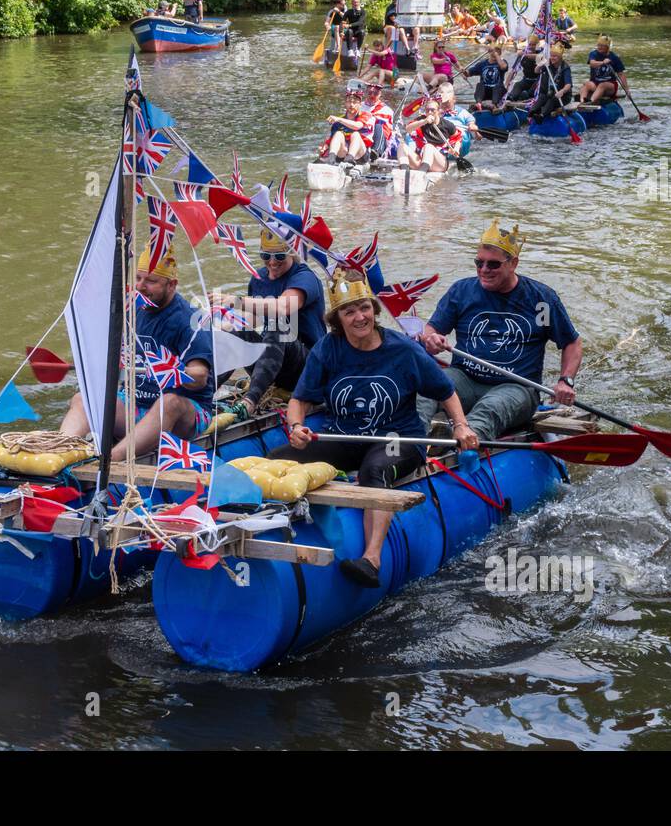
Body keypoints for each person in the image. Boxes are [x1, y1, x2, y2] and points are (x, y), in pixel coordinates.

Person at [269, 269, 478, 588]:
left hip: (397, 439)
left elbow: (445, 392)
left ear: (374, 309)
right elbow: (299, 401)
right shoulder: (328, 349)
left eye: (364, 307)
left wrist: (460, 426)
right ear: (338, 318)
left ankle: (372, 559)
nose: (359, 317)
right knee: (277, 460)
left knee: (375, 469)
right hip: (343, 436)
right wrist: (296, 426)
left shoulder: (403, 350)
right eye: (349, 311)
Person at [415, 220, 582, 443]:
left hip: (516, 387)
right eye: (479, 263)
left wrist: (565, 381)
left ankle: (462, 456)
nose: (484, 270)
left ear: (513, 263)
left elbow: (572, 343)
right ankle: (409, 449)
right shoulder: (461, 291)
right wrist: (431, 338)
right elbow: (431, 329)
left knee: (487, 411)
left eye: (493, 265)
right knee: (423, 390)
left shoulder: (541, 300)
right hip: (464, 378)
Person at [59, 245, 213, 459]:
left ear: (172, 285)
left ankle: (109, 461)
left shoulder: (191, 320)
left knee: (168, 402)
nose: (140, 286)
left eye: (150, 281)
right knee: (83, 399)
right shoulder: (133, 308)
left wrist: (169, 370)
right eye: (138, 278)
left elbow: (200, 377)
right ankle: (60, 454)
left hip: (185, 415)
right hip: (137, 405)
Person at [211, 223, 326, 416]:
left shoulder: (305, 277)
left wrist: (236, 301)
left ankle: (250, 401)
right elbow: (252, 317)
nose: (272, 262)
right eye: (266, 256)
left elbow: (283, 307)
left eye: (279, 256)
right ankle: (203, 392)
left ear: (290, 253)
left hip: (308, 366)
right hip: (273, 362)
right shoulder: (259, 278)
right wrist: (223, 328)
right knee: (230, 333)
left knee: (276, 325)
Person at [403, 99, 462, 173]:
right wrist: (424, 122)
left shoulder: (447, 125)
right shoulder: (422, 120)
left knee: (428, 147)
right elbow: (408, 129)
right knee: (402, 146)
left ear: (438, 111)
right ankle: (403, 171)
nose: (430, 112)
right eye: (427, 110)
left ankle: (421, 173)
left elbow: (458, 139)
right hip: (422, 159)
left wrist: (456, 149)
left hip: (440, 162)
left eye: (432, 110)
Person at [318, 87, 373, 162]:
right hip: (343, 153)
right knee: (338, 134)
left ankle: (350, 158)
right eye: (349, 102)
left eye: (354, 102)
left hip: (360, 154)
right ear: (345, 104)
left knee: (355, 134)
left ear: (360, 105)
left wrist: (339, 119)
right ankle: (331, 158)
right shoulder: (337, 122)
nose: (351, 105)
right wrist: (324, 148)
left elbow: (357, 126)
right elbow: (329, 140)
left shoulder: (366, 115)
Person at [528, 42, 574, 123]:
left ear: (560, 57)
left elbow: (568, 85)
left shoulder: (565, 67)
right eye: (551, 56)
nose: (552, 58)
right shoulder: (548, 64)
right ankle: (531, 113)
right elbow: (536, 71)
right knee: (542, 97)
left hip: (562, 96)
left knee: (552, 99)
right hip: (550, 93)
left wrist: (562, 91)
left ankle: (541, 115)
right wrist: (540, 64)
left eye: (555, 56)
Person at [579, 33, 631, 104]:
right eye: (598, 45)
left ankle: (590, 101)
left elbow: (621, 74)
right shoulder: (593, 54)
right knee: (587, 84)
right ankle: (582, 102)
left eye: (602, 46)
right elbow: (592, 64)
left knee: (602, 85)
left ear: (608, 47)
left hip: (610, 86)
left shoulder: (614, 57)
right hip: (595, 83)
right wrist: (603, 62)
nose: (599, 47)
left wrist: (627, 89)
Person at [501, 32, 542, 107]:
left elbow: (540, 57)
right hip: (526, 79)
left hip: (538, 81)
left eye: (534, 45)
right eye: (530, 44)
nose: (531, 46)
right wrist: (506, 85)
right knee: (517, 85)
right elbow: (513, 71)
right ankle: (510, 99)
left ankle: (525, 100)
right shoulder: (522, 55)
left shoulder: (540, 52)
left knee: (527, 94)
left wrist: (525, 55)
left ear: (537, 45)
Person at [462, 46, 508, 110]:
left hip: (498, 92)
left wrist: (497, 56)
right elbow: (468, 73)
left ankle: (494, 106)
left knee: (498, 86)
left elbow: (503, 67)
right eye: (494, 52)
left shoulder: (502, 62)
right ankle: (478, 104)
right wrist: (464, 72)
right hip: (485, 91)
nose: (495, 54)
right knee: (479, 85)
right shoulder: (482, 64)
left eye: (497, 53)